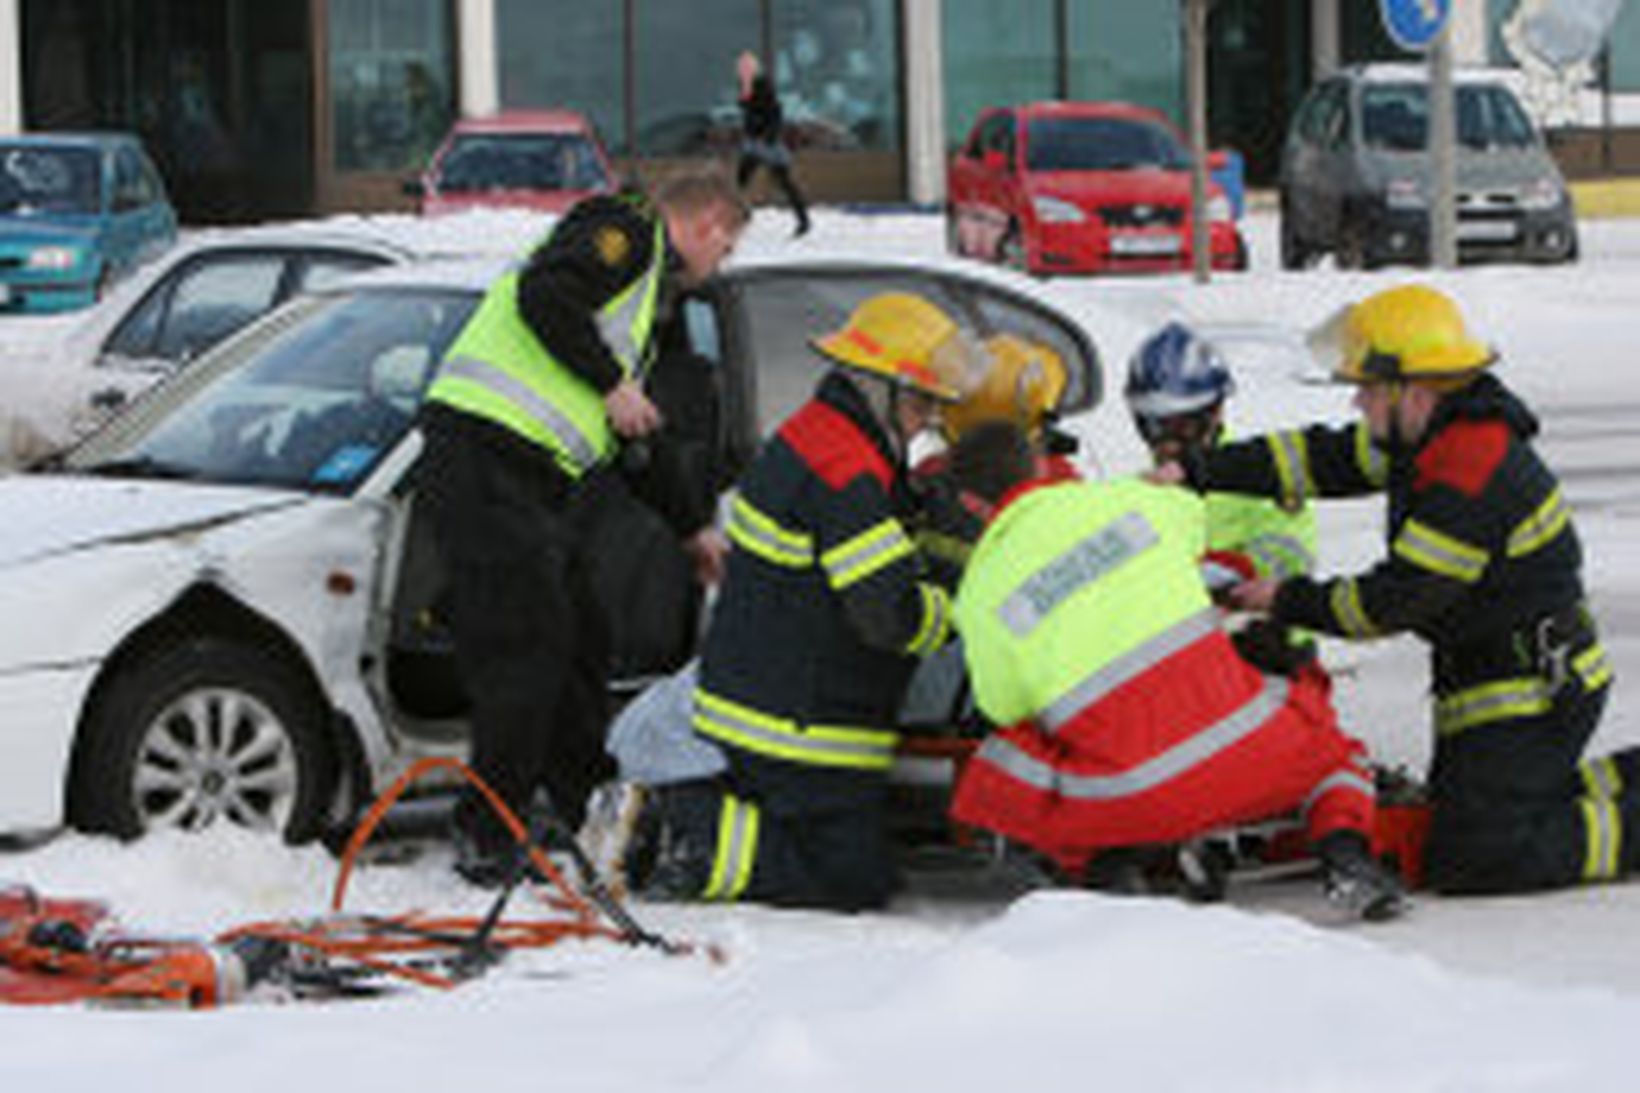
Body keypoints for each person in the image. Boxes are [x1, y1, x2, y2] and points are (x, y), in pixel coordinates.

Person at [1175, 284, 1629, 895]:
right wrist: (1198, 472)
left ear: (1412, 389)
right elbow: (1321, 458)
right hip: (1505, 677)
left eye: (1368, 387)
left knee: (1477, 855)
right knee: (1492, 810)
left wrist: (1280, 598)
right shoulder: (1433, 432)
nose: (1359, 400)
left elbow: (1390, 603)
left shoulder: (1470, 469)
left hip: (1531, 691)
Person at [417, 168, 749, 886]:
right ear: (709, 225)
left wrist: (693, 531)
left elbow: (638, 444)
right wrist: (610, 381)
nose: (719, 266)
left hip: (527, 478)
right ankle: (487, 830)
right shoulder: (623, 229)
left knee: (584, 637)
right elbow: (546, 293)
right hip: (481, 454)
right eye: (726, 249)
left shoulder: (638, 321)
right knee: (527, 643)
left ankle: (579, 812)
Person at [945, 420, 1408, 921]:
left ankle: (1102, 860)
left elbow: (1004, 708)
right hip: (1249, 756)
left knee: (997, 763)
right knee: (1339, 753)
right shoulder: (1124, 500)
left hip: (1125, 793)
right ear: (1038, 464)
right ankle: (1345, 853)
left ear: (971, 504)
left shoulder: (977, 595)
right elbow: (1191, 521)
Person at [623, 292, 972, 911]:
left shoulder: (820, 436)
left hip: (762, 701)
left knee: (862, 856)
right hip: (798, 726)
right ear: (878, 389)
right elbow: (888, 616)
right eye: (920, 403)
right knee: (852, 880)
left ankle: (687, 818)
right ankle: (687, 834)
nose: (926, 424)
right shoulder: (846, 472)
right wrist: (959, 607)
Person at [1125, 322, 1319, 674]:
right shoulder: (1138, 491)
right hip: (1183, 664)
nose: (1167, 444)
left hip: (1269, 655)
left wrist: (1221, 575)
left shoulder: (1262, 475)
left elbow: (1290, 558)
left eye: (1181, 428)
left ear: (1215, 413)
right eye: (1152, 427)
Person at [735, 50, 811, 237]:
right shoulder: (747, 86)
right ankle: (739, 216)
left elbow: (773, 110)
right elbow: (748, 109)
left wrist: (769, 133)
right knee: (742, 179)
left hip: (766, 141)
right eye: (740, 67)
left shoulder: (761, 84)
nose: (741, 70)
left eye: (746, 67)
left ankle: (803, 219)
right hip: (754, 141)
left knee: (783, 180)